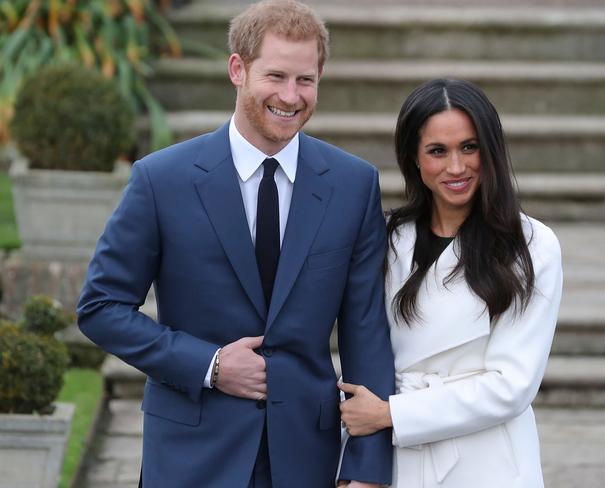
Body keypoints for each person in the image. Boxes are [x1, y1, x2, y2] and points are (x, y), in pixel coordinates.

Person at [76, 1, 394, 486]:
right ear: (237, 69)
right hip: (191, 455)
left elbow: (366, 332)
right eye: (276, 76)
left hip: (306, 458)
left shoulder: (354, 186)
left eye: (305, 80)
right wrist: (210, 365)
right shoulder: (161, 179)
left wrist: (368, 467)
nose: (291, 96)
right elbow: (100, 307)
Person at [338, 79, 563, 488]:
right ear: (414, 159)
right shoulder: (386, 238)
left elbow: (511, 386)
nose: (456, 168)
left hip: (487, 460)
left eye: (469, 147)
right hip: (397, 460)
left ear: (490, 151)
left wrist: (393, 415)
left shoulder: (531, 246)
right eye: (438, 151)